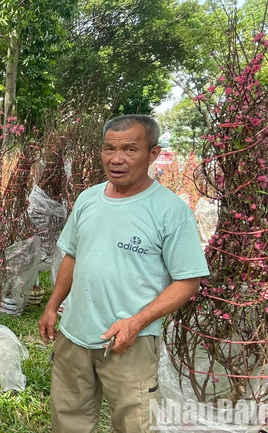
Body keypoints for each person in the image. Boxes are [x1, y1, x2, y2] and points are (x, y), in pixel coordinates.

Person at [37, 114, 209, 433]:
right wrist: (51, 306)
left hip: (130, 341)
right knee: (68, 417)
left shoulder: (170, 211)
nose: (117, 159)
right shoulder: (89, 199)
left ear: (153, 154)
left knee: (135, 423)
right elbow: (72, 256)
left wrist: (137, 321)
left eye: (130, 149)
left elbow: (188, 280)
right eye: (109, 149)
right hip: (74, 334)